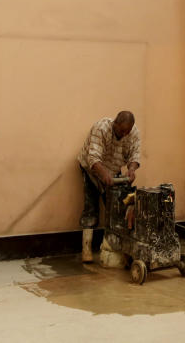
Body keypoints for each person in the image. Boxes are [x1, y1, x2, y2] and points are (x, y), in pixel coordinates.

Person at [76, 111, 141, 263]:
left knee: (116, 209)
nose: (125, 134)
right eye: (121, 130)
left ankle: (114, 247)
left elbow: (135, 155)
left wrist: (131, 169)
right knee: (91, 206)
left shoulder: (133, 133)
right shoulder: (101, 128)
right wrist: (104, 175)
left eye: (127, 131)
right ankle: (86, 248)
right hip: (91, 168)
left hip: (113, 170)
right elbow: (93, 158)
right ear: (115, 124)